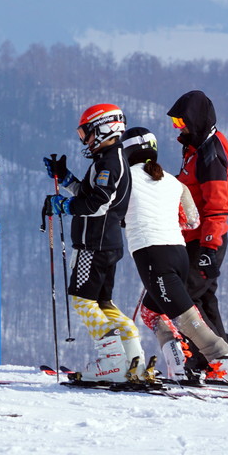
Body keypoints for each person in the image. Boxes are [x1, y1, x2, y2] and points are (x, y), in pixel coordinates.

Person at [121, 127, 228, 383]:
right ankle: (177, 363)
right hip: (179, 253)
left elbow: (105, 207)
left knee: (185, 317)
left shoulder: (126, 177)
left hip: (152, 253)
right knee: (151, 312)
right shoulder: (172, 181)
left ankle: (225, 365)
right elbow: (192, 220)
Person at [43, 104, 144, 383]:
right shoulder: (108, 160)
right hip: (106, 243)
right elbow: (90, 194)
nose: (84, 139)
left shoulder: (109, 163)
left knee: (82, 300)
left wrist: (63, 206)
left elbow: (97, 205)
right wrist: (66, 180)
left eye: (86, 133)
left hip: (94, 245)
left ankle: (112, 362)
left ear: (104, 129)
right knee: (103, 302)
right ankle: (134, 360)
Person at [166, 90, 228, 362]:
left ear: (196, 120)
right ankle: (221, 360)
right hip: (195, 237)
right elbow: (188, 186)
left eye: (181, 123)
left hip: (206, 240)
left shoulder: (211, 152)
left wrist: (209, 247)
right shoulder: (195, 148)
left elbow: (217, 205)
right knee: (204, 299)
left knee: (184, 299)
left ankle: (208, 359)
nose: (177, 128)